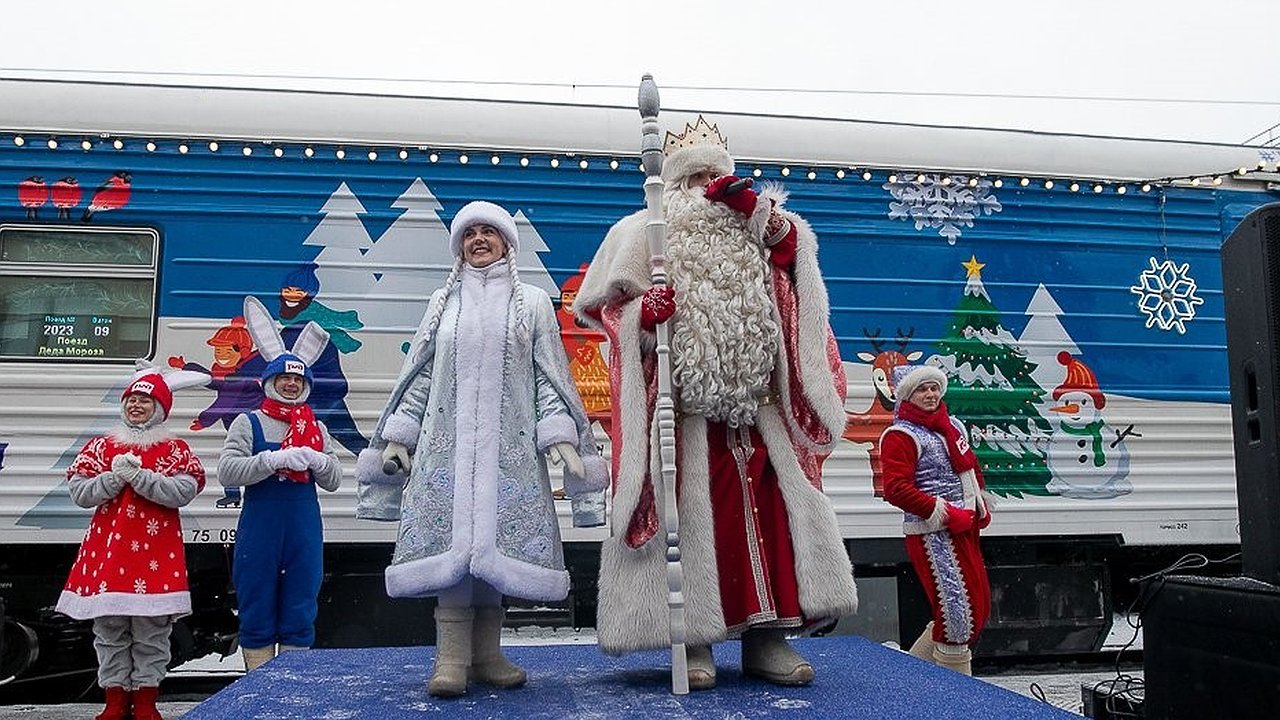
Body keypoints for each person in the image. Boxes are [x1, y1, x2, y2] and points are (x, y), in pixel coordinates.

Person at [574, 116, 857, 690]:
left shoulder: (763, 227)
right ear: (675, 182)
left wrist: (769, 228)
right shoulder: (643, 232)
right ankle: (693, 638)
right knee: (694, 523)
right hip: (685, 416)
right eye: (695, 173)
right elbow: (605, 310)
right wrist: (641, 320)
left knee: (769, 522)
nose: (706, 182)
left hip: (760, 411)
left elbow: (802, 287)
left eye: (715, 172)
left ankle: (767, 639)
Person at [355, 200, 608, 698]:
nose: (478, 240)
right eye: (470, 233)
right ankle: (450, 661)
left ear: (507, 243)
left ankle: (487, 656)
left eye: (488, 232)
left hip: (507, 453)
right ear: (459, 244)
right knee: (455, 551)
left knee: (491, 552)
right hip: (446, 450)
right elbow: (421, 375)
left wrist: (559, 437)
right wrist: (399, 438)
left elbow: (548, 376)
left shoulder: (532, 302)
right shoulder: (442, 302)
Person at [57, 369, 206, 720]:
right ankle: (114, 700)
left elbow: (184, 491)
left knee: (152, 632)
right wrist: (113, 478)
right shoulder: (101, 446)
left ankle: (145, 701)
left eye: (145, 400)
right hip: (108, 554)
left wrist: (140, 478)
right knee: (109, 629)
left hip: (155, 555)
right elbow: (80, 493)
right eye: (132, 400)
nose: (137, 406)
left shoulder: (175, 449)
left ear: (160, 408)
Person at [217, 297, 343, 672]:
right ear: (270, 381)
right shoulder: (248, 423)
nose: (291, 384)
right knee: (256, 606)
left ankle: (291, 688)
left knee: (301, 607)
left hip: (303, 528)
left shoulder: (316, 428)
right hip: (260, 528)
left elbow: (334, 480)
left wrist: (319, 460)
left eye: (297, 379)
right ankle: (258, 687)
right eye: (284, 378)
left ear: (305, 385)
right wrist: (270, 460)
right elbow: (227, 471)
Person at [879, 363, 992, 675]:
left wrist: (978, 502)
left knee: (977, 611)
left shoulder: (951, 425)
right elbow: (896, 489)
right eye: (921, 389)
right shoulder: (900, 435)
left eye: (933, 387)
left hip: (964, 526)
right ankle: (958, 699)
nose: (930, 394)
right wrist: (944, 512)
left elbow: (969, 466)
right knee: (959, 617)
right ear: (907, 395)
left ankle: (911, 677)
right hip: (933, 533)